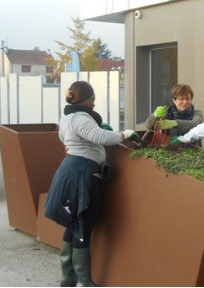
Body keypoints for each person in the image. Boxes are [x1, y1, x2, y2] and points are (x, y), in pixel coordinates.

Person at [44, 81, 138, 287]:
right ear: (84, 99)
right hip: (82, 174)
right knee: (83, 224)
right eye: (93, 99)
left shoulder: (67, 116)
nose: (94, 104)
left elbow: (66, 139)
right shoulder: (81, 116)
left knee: (73, 224)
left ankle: (68, 278)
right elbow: (100, 137)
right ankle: (84, 282)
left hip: (69, 169)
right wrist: (124, 134)